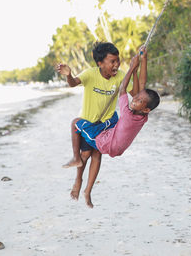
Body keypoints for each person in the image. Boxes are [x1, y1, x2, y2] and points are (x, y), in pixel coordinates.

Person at [74, 46, 160, 207]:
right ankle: (82, 185)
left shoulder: (127, 112)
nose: (134, 100)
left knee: (77, 127)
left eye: (138, 100)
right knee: (109, 123)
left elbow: (123, 90)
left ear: (146, 108)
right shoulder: (143, 116)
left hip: (107, 142)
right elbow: (141, 85)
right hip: (114, 141)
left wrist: (132, 68)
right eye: (112, 61)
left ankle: (77, 166)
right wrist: (143, 60)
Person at [56, 42, 136, 205]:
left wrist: (136, 68)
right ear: (100, 63)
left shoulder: (120, 76)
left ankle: (87, 190)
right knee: (85, 155)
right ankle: (78, 181)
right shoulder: (91, 74)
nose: (116, 64)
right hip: (88, 122)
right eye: (112, 61)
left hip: (106, 123)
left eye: (117, 61)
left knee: (97, 155)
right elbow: (73, 83)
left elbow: (136, 93)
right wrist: (68, 75)